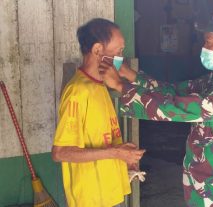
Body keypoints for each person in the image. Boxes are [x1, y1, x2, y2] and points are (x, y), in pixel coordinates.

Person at [100, 8, 213, 207]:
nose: (204, 47)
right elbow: (174, 91)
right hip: (203, 182)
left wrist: (120, 86)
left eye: (209, 42)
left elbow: (177, 108)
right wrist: (130, 75)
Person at [52, 18, 145, 207]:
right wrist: (116, 152)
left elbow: (102, 138)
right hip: (92, 198)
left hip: (109, 193)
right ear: (97, 50)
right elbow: (60, 153)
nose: (121, 57)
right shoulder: (77, 91)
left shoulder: (100, 85)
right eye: (118, 51)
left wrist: (123, 155)